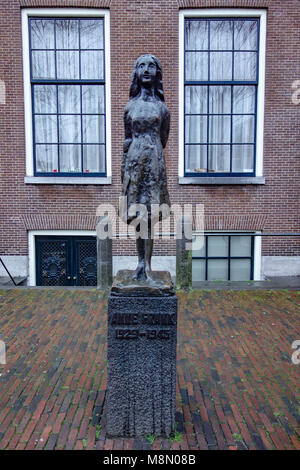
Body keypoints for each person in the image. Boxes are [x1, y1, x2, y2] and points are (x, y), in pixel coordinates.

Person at [121, 54, 171, 281]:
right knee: (137, 215)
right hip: (133, 164)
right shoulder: (129, 107)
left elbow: (163, 139)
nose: (146, 70)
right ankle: (139, 263)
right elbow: (127, 140)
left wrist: (150, 154)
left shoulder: (162, 109)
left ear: (157, 73)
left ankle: (147, 266)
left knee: (149, 216)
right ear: (136, 73)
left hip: (153, 164)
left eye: (151, 66)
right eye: (141, 66)